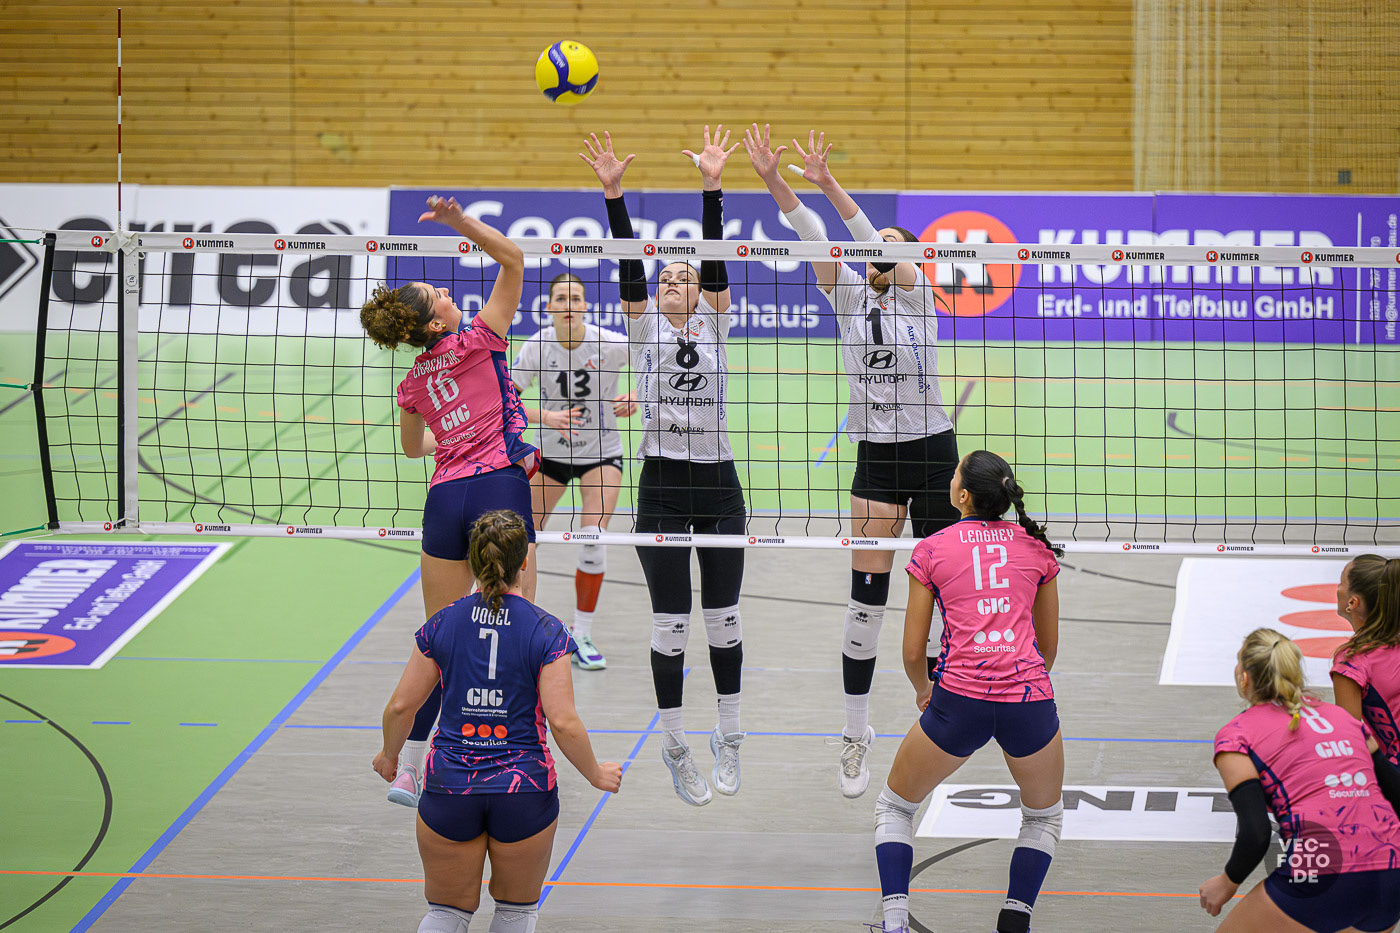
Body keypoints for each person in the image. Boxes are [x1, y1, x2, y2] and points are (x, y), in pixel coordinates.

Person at [744, 124, 959, 798]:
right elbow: (812, 235)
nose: (876, 255)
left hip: (933, 451)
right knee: (866, 599)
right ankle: (855, 732)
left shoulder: (918, 294)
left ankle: (945, 707)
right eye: (873, 250)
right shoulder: (847, 296)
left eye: (889, 247)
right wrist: (776, 181)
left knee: (949, 591)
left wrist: (831, 183)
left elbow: (870, 242)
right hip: (877, 460)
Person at [580, 127, 747, 807]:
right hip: (662, 487)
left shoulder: (718, 322)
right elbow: (629, 263)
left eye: (686, 277)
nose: (675, 282)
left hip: (719, 484)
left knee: (725, 620)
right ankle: (676, 744)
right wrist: (613, 196)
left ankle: (729, 735)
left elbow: (715, 254)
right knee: (671, 623)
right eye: (666, 278)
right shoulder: (644, 326)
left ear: (702, 292)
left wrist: (712, 187)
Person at [360, 195, 540, 809]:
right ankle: (513, 754)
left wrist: (455, 433)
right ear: (436, 325)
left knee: (440, 640)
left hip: (444, 499)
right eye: (435, 294)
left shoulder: (413, 383)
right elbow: (513, 260)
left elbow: (415, 449)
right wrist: (461, 223)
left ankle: (408, 768)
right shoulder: (481, 339)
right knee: (515, 631)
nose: (444, 291)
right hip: (499, 490)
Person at [373, 510, 622, 933]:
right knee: (515, 912)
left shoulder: (442, 622)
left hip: (451, 784)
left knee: (446, 913)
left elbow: (401, 707)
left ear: (471, 561)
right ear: (524, 561)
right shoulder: (547, 631)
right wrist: (596, 774)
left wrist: (389, 755)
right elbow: (562, 721)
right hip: (523, 789)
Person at [872, 451, 1063, 933]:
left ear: (962, 495)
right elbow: (1048, 648)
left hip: (959, 701)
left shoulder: (932, 550)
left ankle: (894, 922)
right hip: (1028, 700)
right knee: (1042, 818)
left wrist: (924, 691)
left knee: (895, 807)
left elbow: (913, 651)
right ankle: (1015, 920)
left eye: (955, 472)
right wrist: (1019, 683)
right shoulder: (1037, 549)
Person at [1199, 628, 1400, 932]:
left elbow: (1256, 833)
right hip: (1391, 869)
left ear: (1244, 678)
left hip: (1323, 868)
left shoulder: (1237, 735)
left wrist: (1227, 883)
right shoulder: (1346, 720)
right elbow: (1396, 791)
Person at [511, 272, 638, 670]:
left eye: (576, 298)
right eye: (561, 298)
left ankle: (581, 633)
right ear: (549, 307)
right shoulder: (537, 345)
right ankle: (517, 628)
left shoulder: (610, 343)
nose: (569, 305)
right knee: (522, 541)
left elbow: (657, 362)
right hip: (549, 456)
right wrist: (544, 416)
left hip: (601, 454)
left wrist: (639, 394)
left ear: (585, 306)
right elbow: (504, 400)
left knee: (593, 539)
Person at [1330, 555, 1400, 766]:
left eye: (1341, 583)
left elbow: (1349, 740)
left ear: (1353, 602)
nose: (1337, 588)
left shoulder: (1352, 662)